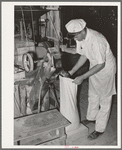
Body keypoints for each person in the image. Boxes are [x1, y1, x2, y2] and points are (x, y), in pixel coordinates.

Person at [60, 19, 116, 140]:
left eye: (76, 36)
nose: (75, 39)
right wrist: (72, 72)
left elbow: (101, 64)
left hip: (106, 69)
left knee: (105, 99)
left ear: (82, 31)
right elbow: (84, 54)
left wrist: (83, 76)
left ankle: (99, 129)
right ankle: (91, 118)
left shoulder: (97, 40)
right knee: (93, 94)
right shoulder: (81, 37)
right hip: (94, 65)